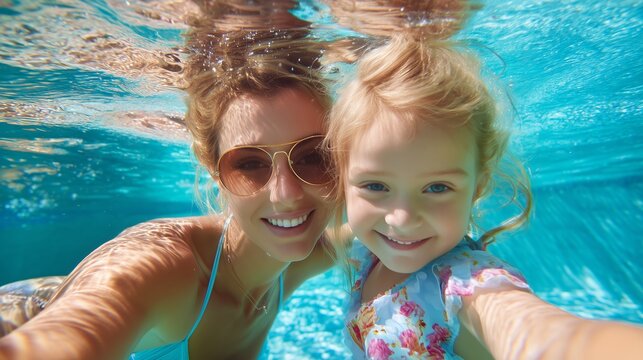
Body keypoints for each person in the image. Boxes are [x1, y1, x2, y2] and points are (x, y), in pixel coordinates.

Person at [0, 17, 340, 359]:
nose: (287, 193)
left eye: (312, 156)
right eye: (250, 163)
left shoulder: (312, 251)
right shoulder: (162, 268)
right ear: (212, 168)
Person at [325, 34, 643, 359]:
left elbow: (549, 337)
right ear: (343, 180)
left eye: (437, 187)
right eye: (376, 187)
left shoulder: (465, 283)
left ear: (477, 188)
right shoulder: (367, 248)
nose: (402, 219)